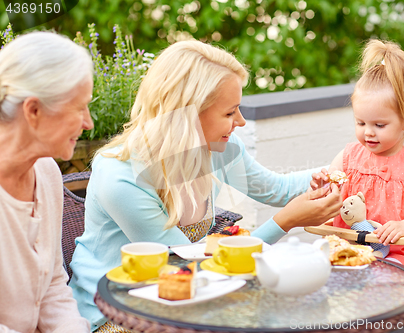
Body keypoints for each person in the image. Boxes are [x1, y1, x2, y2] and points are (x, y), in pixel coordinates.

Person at [69, 40, 342, 332]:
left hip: (180, 298)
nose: (241, 121)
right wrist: (285, 222)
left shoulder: (216, 146)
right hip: (114, 312)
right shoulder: (121, 175)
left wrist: (344, 167)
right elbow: (189, 269)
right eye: (229, 112)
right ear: (186, 114)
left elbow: (276, 189)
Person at [311, 39, 404, 299]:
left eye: (379, 125)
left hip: (399, 252)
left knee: (381, 285)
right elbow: (330, 195)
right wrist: (322, 187)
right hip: (350, 248)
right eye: (360, 122)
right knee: (315, 278)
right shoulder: (347, 156)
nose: (368, 132)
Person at [0, 32, 93, 332]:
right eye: (80, 107)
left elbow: (52, 285)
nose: (89, 122)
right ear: (34, 110)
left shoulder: (47, 172)